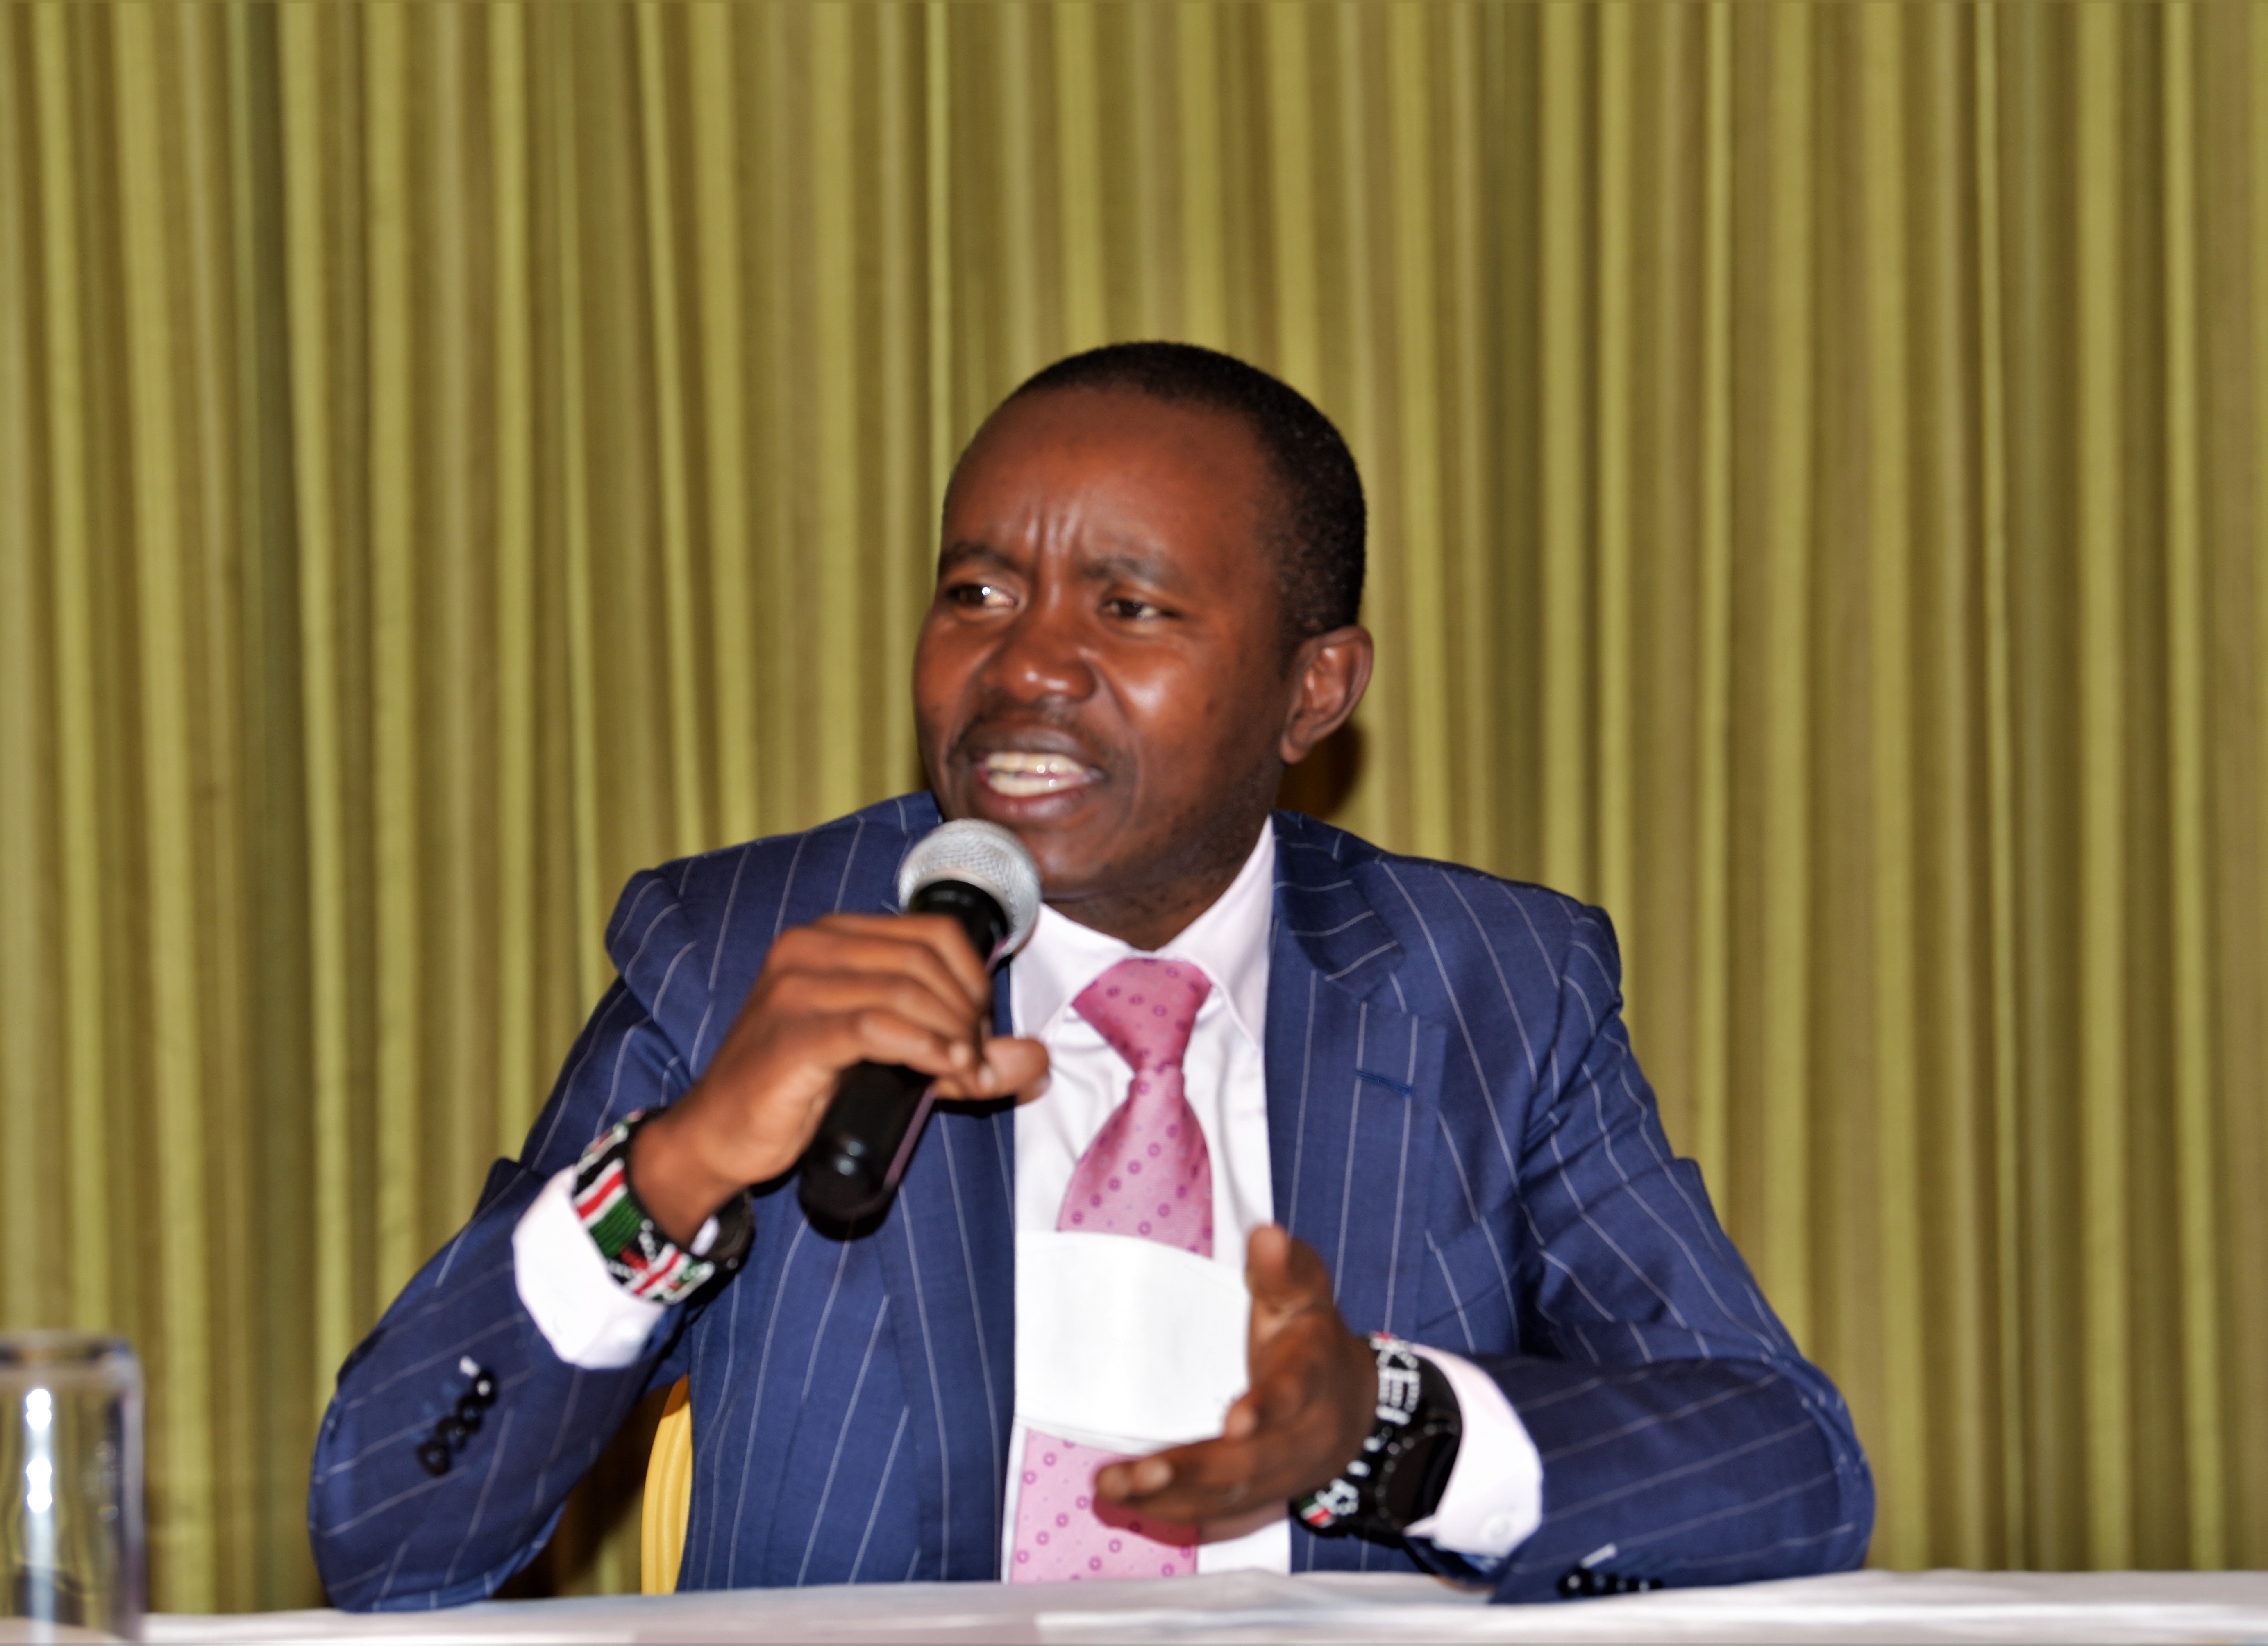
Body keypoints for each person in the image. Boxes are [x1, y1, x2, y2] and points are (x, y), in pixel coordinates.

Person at [308, 343, 1872, 1608]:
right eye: (978, 594)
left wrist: (1393, 1435)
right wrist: (676, 1169)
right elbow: (389, 1532)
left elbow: (1788, 1470)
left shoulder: (1496, 993)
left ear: (1315, 690)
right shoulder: (741, 954)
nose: (1027, 666)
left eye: (1128, 609)